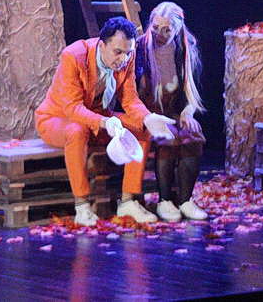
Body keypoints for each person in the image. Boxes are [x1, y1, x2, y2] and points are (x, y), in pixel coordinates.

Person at [35, 17, 177, 226]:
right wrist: (104, 122)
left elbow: (129, 99)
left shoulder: (127, 57)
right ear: (102, 45)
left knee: (141, 129)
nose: (123, 58)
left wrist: (148, 118)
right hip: (57, 119)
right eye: (118, 52)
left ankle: (127, 201)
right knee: (77, 130)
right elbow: (72, 108)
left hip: (97, 117)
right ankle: (82, 206)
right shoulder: (74, 55)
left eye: (128, 52)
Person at [135, 2, 209, 222]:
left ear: (177, 30)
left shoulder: (185, 49)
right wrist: (148, 117)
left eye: (167, 30)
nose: (160, 34)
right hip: (147, 114)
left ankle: (185, 200)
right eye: (156, 27)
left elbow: (191, 92)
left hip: (172, 112)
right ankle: (165, 200)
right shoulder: (140, 49)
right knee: (168, 137)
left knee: (193, 134)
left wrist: (187, 112)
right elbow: (130, 93)